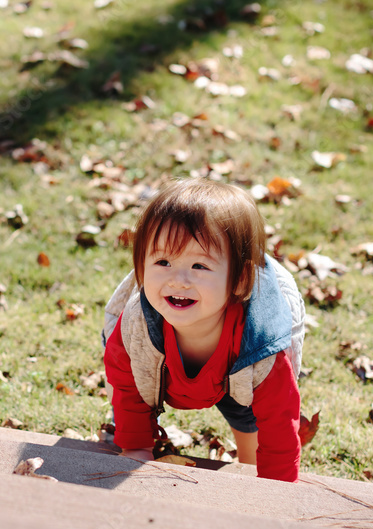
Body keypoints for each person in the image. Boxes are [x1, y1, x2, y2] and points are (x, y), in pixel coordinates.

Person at [102, 178, 306, 482]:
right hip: (156, 372)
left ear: (239, 280)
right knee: (132, 410)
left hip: (241, 375)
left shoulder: (263, 346)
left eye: (200, 266)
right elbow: (128, 385)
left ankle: (247, 462)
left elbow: (279, 422)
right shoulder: (135, 328)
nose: (179, 280)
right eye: (163, 261)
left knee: (251, 438)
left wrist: (275, 490)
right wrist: (136, 450)